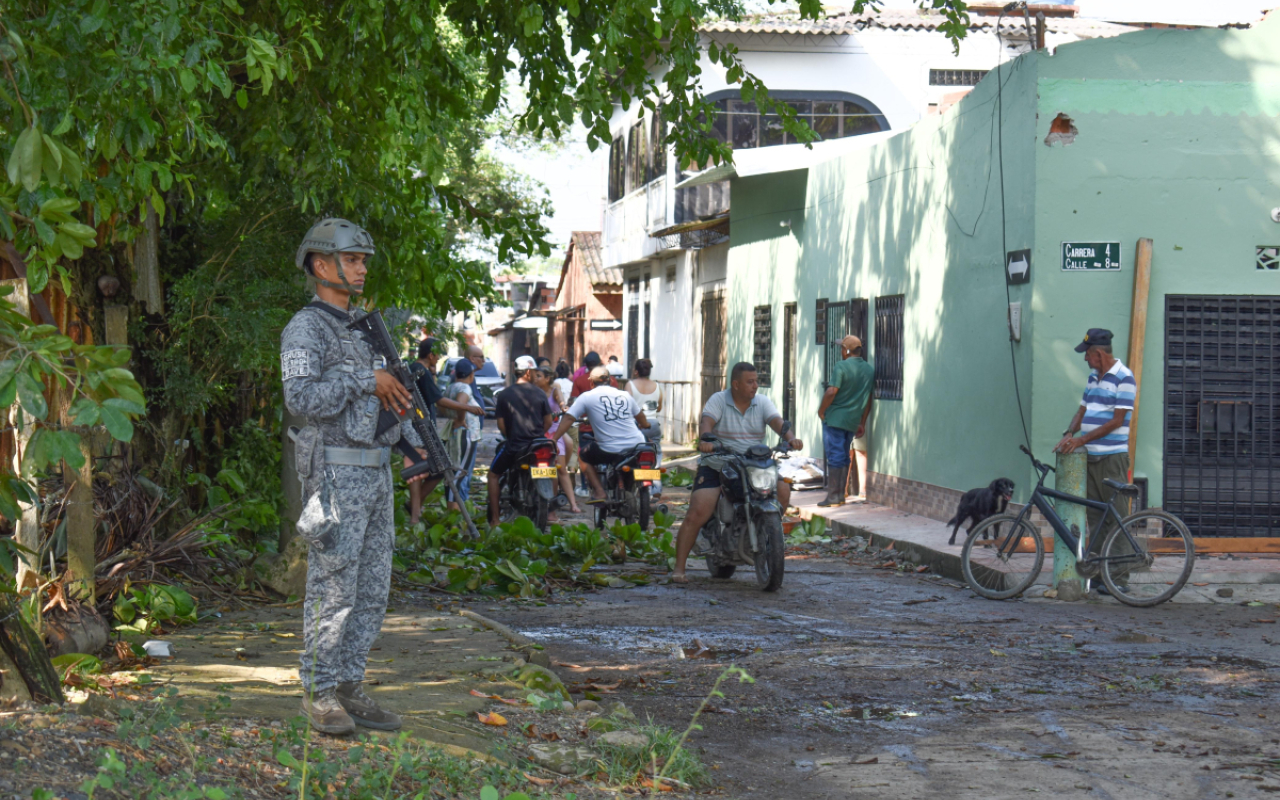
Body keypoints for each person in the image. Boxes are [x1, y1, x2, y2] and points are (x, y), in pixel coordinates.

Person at [281, 218, 426, 735]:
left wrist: (408, 426)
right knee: (332, 588)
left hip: (377, 473)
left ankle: (349, 684)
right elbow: (299, 399)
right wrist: (366, 379)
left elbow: (388, 397)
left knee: (371, 590)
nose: (362, 268)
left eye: (363, 260)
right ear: (322, 265)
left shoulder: (365, 328)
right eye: (352, 259)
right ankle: (319, 692)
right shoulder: (307, 327)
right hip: (336, 475)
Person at [671, 362, 802, 583]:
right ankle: (679, 568)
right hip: (719, 462)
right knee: (699, 510)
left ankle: (767, 532)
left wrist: (791, 439)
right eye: (750, 382)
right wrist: (706, 439)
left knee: (782, 489)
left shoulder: (761, 402)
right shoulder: (719, 400)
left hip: (754, 462)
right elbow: (706, 423)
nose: (755, 386)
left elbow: (778, 423)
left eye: (756, 381)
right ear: (736, 385)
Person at [1055, 328, 1137, 582]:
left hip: (1112, 458)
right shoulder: (1093, 377)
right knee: (1096, 517)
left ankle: (1120, 578)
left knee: (1117, 517)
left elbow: (1117, 421)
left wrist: (1081, 439)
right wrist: (1069, 433)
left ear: (1098, 353)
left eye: (1087, 355)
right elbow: (1082, 410)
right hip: (1090, 458)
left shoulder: (1124, 377)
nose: (1085, 359)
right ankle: (1102, 577)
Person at [406, 338, 483, 524]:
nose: (438, 359)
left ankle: (415, 508)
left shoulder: (413, 369)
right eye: (437, 355)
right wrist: (467, 409)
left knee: (438, 469)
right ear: (431, 355)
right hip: (420, 428)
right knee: (421, 469)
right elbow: (439, 400)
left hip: (420, 425)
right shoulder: (421, 371)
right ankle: (415, 515)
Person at [550, 366, 648, 501]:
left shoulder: (587, 397)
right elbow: (641, 418)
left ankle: (599, 491)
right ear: (610, 380)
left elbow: (568, 418)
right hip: (637, 444)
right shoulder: (625, 395)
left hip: (609, 449)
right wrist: (646, 425)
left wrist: (555, 438)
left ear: (591, 382)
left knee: (583, 456)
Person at [488, 355, 553, 525]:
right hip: (538, 446)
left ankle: (495, 519)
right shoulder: (540, 393)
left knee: (493, 475)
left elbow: (501, 425)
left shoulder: (504, 394)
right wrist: (537, 434)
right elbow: (548, 422)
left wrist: (512, 435)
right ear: (528, 372)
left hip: (515, 447)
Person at [816, 335, 875, 507]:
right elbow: (868, 399)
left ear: (847, 351)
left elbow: (831, 392)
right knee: (843, 455)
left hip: (835, 418)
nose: (841, 351)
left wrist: (821, 411)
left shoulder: (841, 366)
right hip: (852, 421)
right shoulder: (869, 370)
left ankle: (834, 497)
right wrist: (862, 422)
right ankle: (840, 495)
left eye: (842, 348)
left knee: (835, 456)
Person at [532, 364, 582, 516]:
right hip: (537, 432)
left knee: (559, 469)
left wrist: (563, 407)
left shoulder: (555, 389)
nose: (535, 378)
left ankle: (569, 503)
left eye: (539, 376)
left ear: (547, 378)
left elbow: (561, 402)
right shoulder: (532, 391)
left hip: (553, 432)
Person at [443, 358, 482, 511]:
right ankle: (455, 509)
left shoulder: (451, 387)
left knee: (454, 469)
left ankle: (455, 506)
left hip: (455, 435)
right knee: (460, 472)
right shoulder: (465, 388)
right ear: (471, 375)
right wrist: (460, 419)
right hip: (465, 434)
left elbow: (441, 405)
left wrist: (453, 417)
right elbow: (461, 403)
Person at [626, 358, 664, 497]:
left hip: (636, 425)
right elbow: (659, 407)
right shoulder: (657, 386)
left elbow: (627, 406)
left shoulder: (630, 385)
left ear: (636, 371)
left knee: (633, 454)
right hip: (653, 424)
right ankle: (656, 488)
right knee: (656, 455)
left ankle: (634, 485)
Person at [465, 344, 488, 425]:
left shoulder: (470, 374)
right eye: (481, 357)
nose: (484, 361)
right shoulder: (464, 376)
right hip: (468, 429)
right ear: (472, 358)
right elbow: (460, 399)